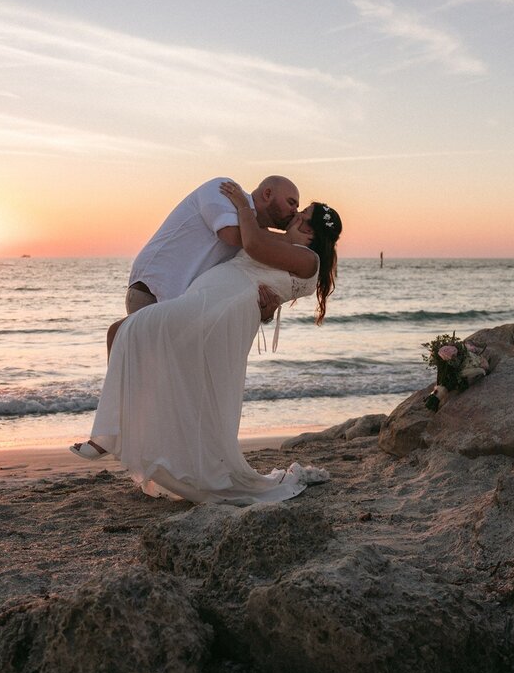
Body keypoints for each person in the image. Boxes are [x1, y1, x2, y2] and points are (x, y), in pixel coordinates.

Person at [70, 183, 342, 505]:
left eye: (303, 217)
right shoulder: (289, 250)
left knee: (126, 331)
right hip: (213, 302)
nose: (296, 217)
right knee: (162, 366)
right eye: (297, 211)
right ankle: (124, 432)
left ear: (311, 233)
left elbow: (252, 246)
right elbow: (261, 276)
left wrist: (242, 203)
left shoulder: (307, 259)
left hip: (217, 305)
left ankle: (113, 432)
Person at [105, 175, 300, 357]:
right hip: (154, 293)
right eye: (291, 202)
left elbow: (247, 279)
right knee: (149, 383)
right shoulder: (223, 190)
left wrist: (264, 310)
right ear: (267, 194)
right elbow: (231, 234)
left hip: (190, 313)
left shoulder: (259, 238)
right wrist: (288, 239)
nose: (295, 211)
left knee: (169, 387)